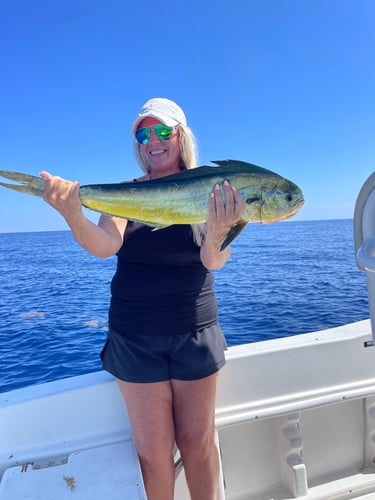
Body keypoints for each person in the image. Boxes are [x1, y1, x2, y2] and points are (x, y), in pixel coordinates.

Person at [41, 97, 246, 500]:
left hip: (195, 332)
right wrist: (72, 214)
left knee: (199, 444)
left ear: (180, 136)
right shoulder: (125, 195)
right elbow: (104, 245)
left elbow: (213, 260)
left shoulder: (216, 191)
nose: (152, 140)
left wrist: (220, 229)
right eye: (143, 133)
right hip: (135, 339)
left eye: (163, 131)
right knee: (154, 454)